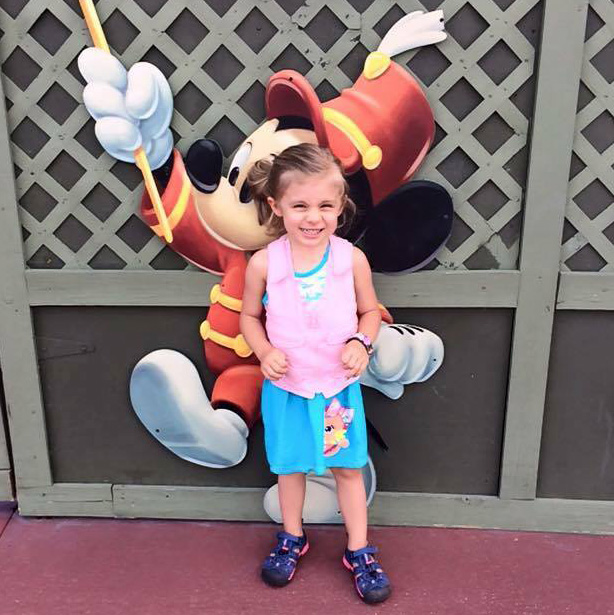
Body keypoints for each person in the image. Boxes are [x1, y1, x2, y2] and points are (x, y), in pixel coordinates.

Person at [240, 143, 391, 604]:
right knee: (290, 469)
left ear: (340, 206)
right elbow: (248, 318)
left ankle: (359, 550)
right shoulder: (265, 263)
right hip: (287, 391)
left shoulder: (351, 260)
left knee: (347, 469)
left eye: (326, 205)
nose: (313, 217)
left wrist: (360, 343)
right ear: (276, 206)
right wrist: (264, 351)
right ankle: (292, 537)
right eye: (300, 205)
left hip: (335, 396)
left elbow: (371, 313)